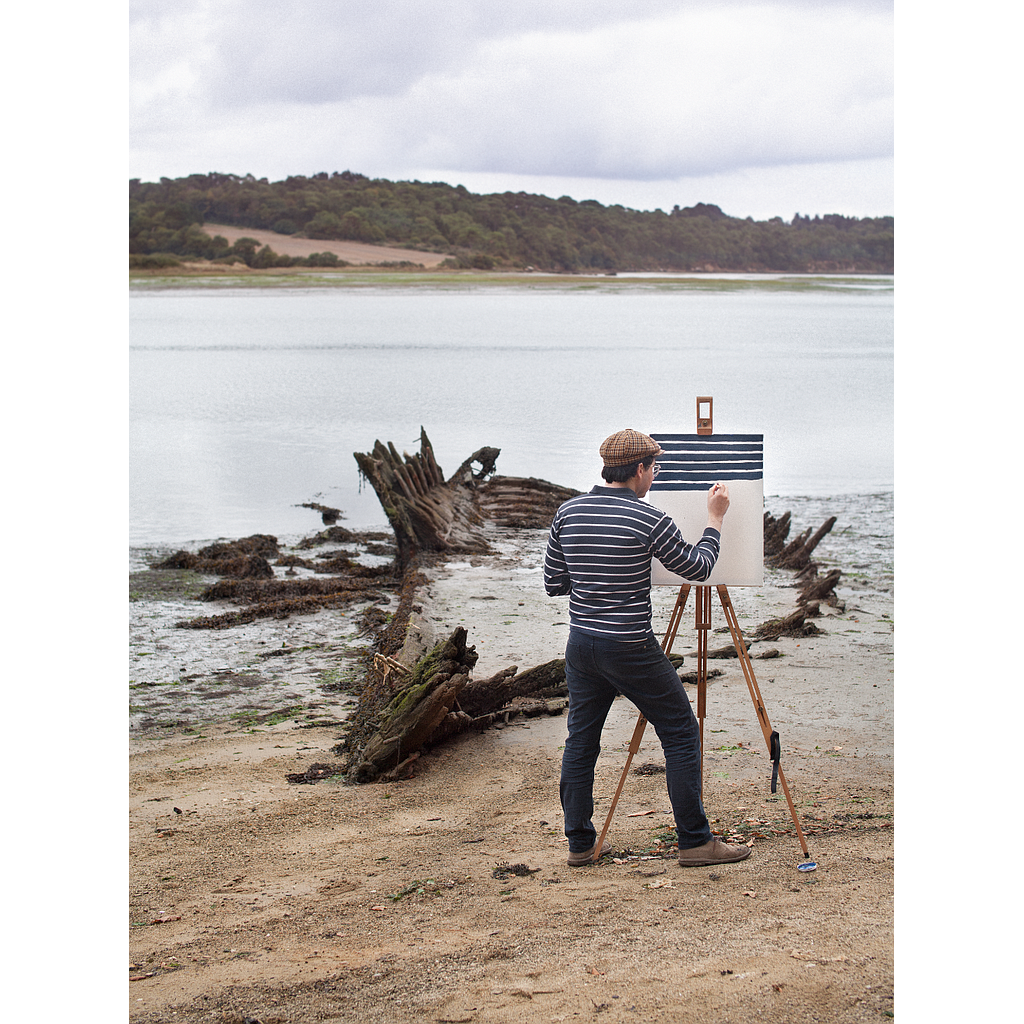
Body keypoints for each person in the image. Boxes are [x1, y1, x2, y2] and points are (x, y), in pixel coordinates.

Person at [544, 428, 751, 868]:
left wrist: (595, 574)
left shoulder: (567, 512)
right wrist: (714, 518)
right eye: (654, 469)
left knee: (581, 741)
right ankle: (695, 841)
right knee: (679, 732)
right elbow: (697, 567)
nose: (654, 478)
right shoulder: (648, 519)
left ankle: (579, 844)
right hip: (630, 645)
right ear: (639, 469)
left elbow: (553, 583)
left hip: (581, 644)